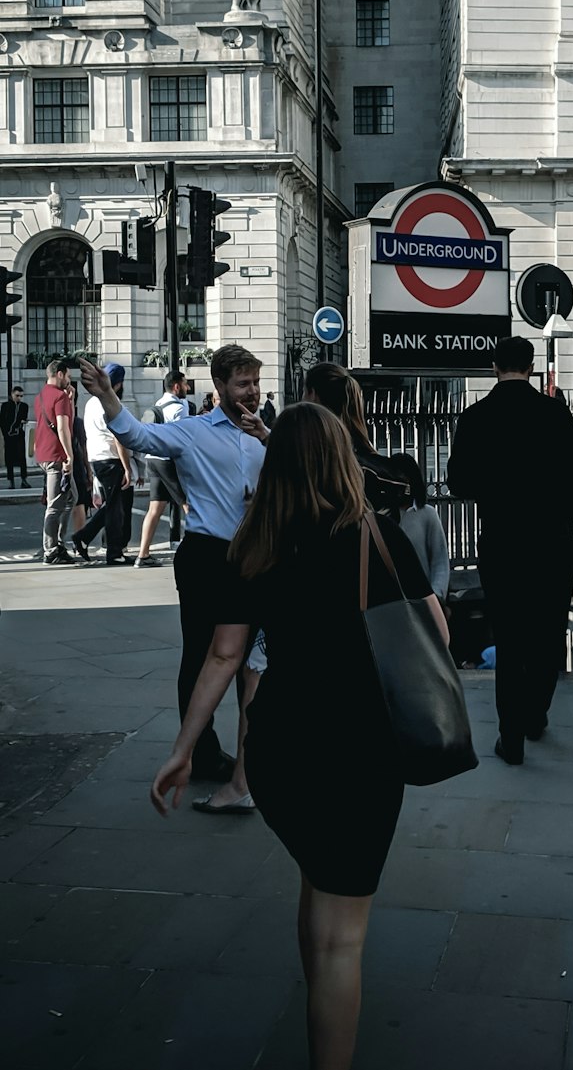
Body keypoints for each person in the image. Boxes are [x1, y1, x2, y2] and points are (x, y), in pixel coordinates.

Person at [150, 402, 445, 1070]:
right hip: (361, 752)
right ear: (343, 461)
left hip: (280, 750)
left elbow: (224, 656)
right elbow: (438, 637)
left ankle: (320, 1015)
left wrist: (181, 750)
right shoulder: (377, 539)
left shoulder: (254, 546)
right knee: (345, 937)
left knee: (318, 877)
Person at [80, 345, 268, 784]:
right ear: (219, 387)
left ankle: (252, 754)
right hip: (207, 556)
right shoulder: (193, 431)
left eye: (255, 383)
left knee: (252, 662)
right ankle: (202, 755)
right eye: (242, 383)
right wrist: (110, 398)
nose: (252, 391)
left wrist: (267, 441)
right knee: (200, 658)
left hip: (253, 558)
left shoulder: (265, 434)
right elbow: (139, 438)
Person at [448, 336, 573, 765]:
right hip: (552, 542)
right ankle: (535, 714)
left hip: (502, 542)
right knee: (548, 633)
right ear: (531, 367)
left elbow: (459, 483)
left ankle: (510, 737)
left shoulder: (476, 416)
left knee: (508, 638)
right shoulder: (554, 413)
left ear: (495, 366)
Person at [303, 363, 406, 515]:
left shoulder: (316, 459)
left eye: (304, 392)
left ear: (313, 395)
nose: (302, 399)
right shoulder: (365, 461)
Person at [72, 363, 135, 565]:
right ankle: (114, 552)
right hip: (110, 458)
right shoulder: (111, 402)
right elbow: (119, 438)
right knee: (116, 508)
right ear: (119, 384)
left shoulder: (91, 402)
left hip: (97, 457)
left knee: (112, 505)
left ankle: (83, 537)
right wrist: (127, 467)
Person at [134, 370, 191, 569]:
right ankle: (198, 548)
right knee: (188, 504)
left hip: (153, 459)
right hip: (168, 460)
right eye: (185, 384)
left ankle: (143, 554)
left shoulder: (158, 404)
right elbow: (181, 437)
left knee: (155, 508)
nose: (188, 388)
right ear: (177, 386)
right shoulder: (179, 407)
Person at [389, 452, 450, 603]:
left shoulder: (427, 515)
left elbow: (440, 561)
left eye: (402, 480)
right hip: (391, 602)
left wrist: (436, 596)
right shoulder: (383, 515)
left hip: (423, 601)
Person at [34, 360, 75, 565]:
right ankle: (51, 549)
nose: (69, 380)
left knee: (69, 498)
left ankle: (57, 543)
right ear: (59, 374)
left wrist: (71, 401)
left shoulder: (40, 396)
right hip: (57, 457)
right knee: (55, 505)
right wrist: (70, 455)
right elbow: (63, 428)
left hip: (43, 454)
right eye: (67, 376)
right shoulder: (60, 396)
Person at [67, 384, 93, 539]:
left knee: (60, 506)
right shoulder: (76, 423)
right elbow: (84, 448)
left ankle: (55, 544)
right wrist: (88, 471)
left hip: (59, 463)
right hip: (75, 465)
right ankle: (79, 541)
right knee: (79, 503)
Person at [1, 386, 29, 488]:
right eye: (17, 396)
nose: (19, 398)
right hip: (9, 435)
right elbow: (3, 421)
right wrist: (6, 433)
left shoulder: (24, 406)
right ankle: (11, 480)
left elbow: (23, 419)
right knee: (9, 458)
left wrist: (20, 423)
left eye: (21, 396)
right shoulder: (6, 406)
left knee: (22, 457)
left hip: (19, 435)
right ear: (12, 394)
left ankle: (24, 479)